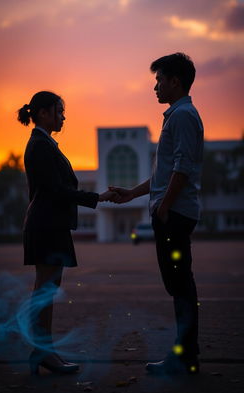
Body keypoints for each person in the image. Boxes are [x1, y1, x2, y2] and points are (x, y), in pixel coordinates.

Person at [109, 53, 204, 375]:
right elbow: (165, 175)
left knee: (180, 285)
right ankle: (185, 355)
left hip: (174, 215)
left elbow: (183, 168)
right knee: (178, 285)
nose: (155, 87)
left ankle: (185, 357)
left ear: (175, 81)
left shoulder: (183, 116)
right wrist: (132, 194)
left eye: (159, 80)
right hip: (171, 212)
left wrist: (164, 208)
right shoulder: (176, 116)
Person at [17, 91, 116, 375]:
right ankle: (43, 352)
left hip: (50, 225)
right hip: (45, 226)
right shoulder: (40, 145)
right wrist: (98, 197)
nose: (63, 116)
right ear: (44, 113)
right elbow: (57, 191)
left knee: (47, 289)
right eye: (60, 111)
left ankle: (43, 352)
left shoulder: (44, 143)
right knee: (45, 290)